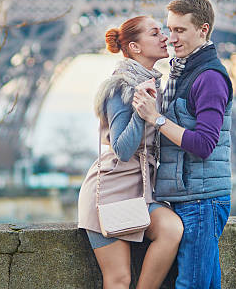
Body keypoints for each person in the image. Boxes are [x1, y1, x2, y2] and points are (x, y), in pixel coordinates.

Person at [133, 0, 233, 289]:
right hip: (186, 196)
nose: (171, 38)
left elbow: (204, 144)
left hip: (202, 199)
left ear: (203, 30)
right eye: (169, 29)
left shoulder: (210, 78)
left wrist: (156, 118)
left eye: (180, 30)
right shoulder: (180, 72)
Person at [78, 15, 184, 289]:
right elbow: (122, 150)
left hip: (141, 191)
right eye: (154, 33)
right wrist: (142, 112)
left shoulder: (155, 84)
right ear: (135, 47)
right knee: (118, 279)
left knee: (172, 229)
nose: (164, 37)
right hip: (110, 191)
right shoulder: (121, 86)